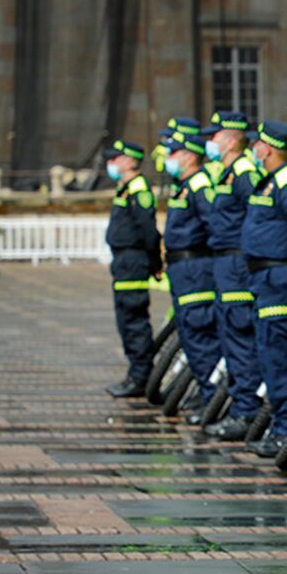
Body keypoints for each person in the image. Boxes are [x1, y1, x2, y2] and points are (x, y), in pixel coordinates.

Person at [240, 121, 287, 450]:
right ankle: (282, 426)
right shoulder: (269, 182)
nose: (254, 149)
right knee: (271, 353)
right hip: (266, 279)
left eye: (258, 145)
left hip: (282, 279)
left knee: (282, 356)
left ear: (267, 148)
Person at [197, 111, 267, 445]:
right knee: (231, 335)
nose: (209, 143)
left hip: (238, 263)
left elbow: (255, 219)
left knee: (241, 338)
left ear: (229, 139)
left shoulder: (243, 173)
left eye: (214, 136)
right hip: (225, 263)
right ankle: (241, 406)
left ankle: (248, 411)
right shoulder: (227, 173)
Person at [159, 132, 223, 423]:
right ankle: (204, 394)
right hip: (182, 270)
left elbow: (213, 227)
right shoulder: (183, 186)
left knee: (201, 336)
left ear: (188, 155)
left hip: (196, 269)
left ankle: (213, 399)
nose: (168, 159)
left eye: (174, 153)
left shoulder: (199, 184)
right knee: (190, 334)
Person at [102, 141, 163, 398]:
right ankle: (136, 373)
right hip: (124, 261)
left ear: (129, 161)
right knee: (125, 319)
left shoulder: (138, 188)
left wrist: (154, 262)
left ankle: (141, 376)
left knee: (134, 320)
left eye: (116, 159)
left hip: (133, 261)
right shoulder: (125, 188)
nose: (111, 164)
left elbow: (148, 230)